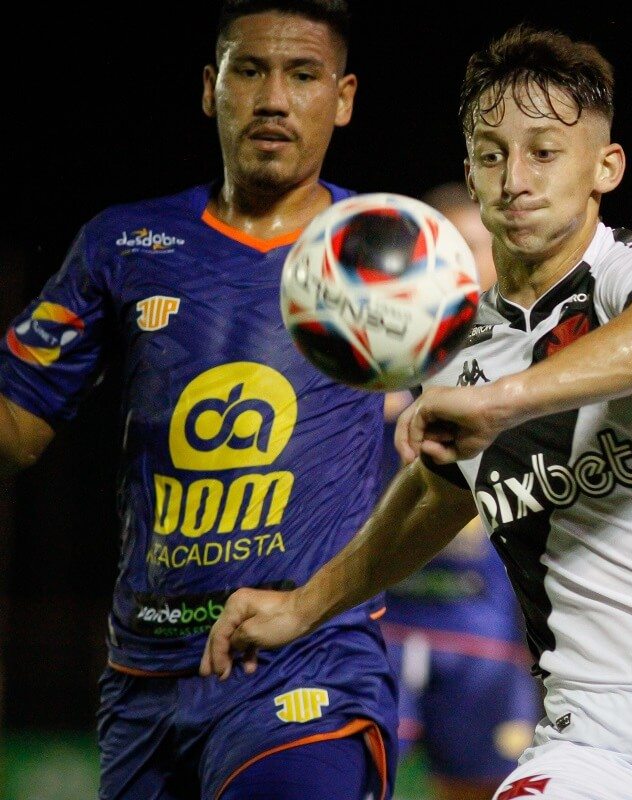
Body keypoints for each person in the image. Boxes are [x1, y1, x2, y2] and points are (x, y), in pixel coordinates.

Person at [202, 22, 632, 800]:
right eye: (492, 155)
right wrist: (303, 606)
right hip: (599, 743)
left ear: (605, 168)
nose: (515, 179)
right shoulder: (465, 360)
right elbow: (433, 498)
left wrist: (501, 404)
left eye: (543, 152)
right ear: (469, 174)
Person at [0, 2, 401, 798]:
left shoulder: (384, 253)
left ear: (344, 98)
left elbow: (485, 408)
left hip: (305, 659)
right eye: (249, 70)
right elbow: (18, 432)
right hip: (142, 677)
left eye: (303, 75)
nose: (274, 98)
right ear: (210, 88)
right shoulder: (124, 244)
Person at [379, 182, 540, 800]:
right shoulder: (371, 361)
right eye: (446, 246)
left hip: (484, 638)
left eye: (477, 244)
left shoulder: (533, 370)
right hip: (378, 630)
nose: (463, 260)